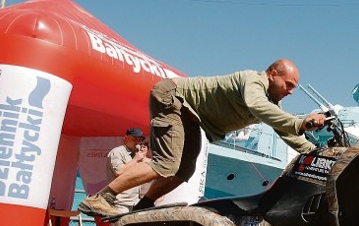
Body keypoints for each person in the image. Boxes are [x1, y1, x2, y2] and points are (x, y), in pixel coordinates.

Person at [79, 59, 326, 217]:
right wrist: (299, 121)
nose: (291, 91)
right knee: (167, 163)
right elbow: (258, 106)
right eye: (289, 84)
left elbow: (284, 129)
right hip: (173, 99)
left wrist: (314, 153)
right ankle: (101, 198)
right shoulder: (253, 82)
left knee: (184, 169)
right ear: (272, 73)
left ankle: (143, 205)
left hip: (191, 116)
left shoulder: (273, 101)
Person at [97, 128, 148, 226]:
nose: (137, 142)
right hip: (118, 200)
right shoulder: (117, 152)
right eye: (134, 138)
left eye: (139, 139)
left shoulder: (135, 155)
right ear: (125, 138)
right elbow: (119, 171)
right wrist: (136, 160)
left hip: (131, 200)